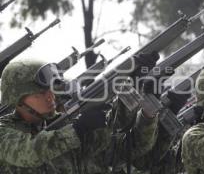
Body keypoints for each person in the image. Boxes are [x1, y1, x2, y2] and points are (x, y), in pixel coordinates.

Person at [0, 57, 159, 173]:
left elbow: (111, 146)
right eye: (40, 93)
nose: (50, 96)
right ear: (18, 99)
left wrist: (130, 84)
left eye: (50, 90)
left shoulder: (60, 125)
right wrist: (78, 129)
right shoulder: (4, 130)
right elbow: (30, 152)